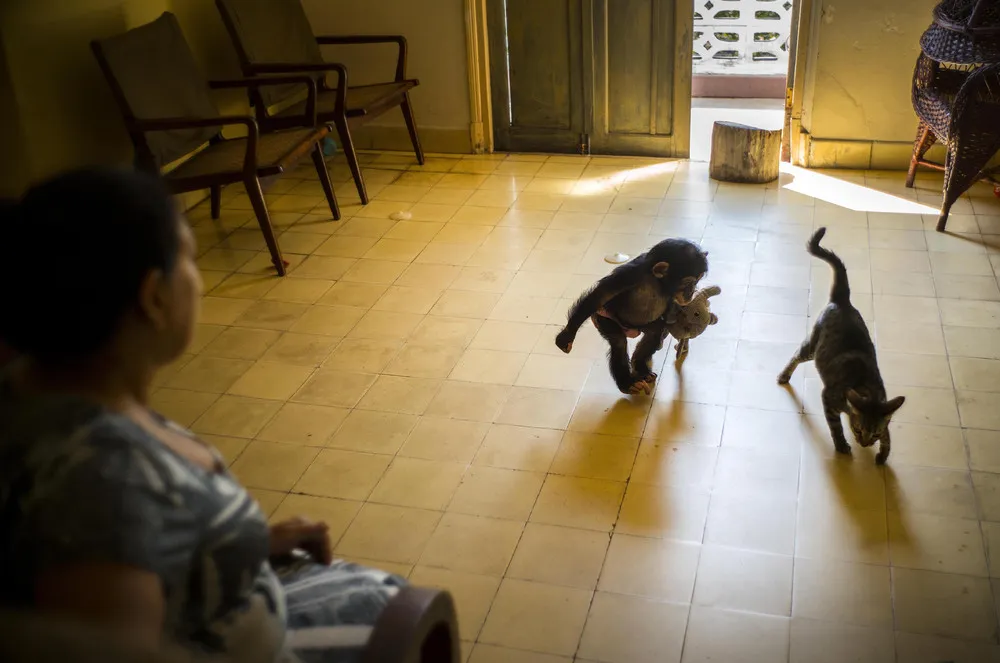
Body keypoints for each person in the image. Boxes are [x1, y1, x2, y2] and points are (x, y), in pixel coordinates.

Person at [0, 167, 406, 663]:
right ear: (154, 297)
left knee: (382, 592)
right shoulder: (103, 484)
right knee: (402, 611)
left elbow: (150, 540)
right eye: (190, 257)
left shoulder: (39, 390)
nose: (200, 277)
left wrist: (240, 544)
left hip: (233, 594)